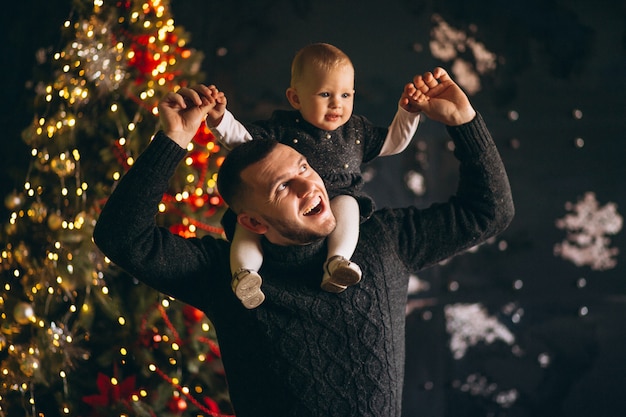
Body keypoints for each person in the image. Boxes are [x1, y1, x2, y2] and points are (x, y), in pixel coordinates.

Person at [93, 67, 514, 417]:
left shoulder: (383, 243)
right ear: (253, 221)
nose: (310, 186)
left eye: (304, 167)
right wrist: (173, 140)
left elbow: (489, 212)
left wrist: (464, 121)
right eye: (282, 187)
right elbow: (121, 236)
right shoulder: (226, 278)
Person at [204, 43, 423, 308]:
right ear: (296, 98)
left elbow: (392, 142)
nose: (336, 104)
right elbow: (245, 142)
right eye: (325, 94)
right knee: (247, 228)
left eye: (345, 95)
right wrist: (220, 119)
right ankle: (245, 274)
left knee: (349, 205)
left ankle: (337, 262)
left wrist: (408, 113)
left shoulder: (356, 130)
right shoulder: (284, 129)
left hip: (336, 201)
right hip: (285, 210)